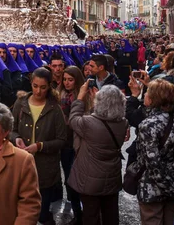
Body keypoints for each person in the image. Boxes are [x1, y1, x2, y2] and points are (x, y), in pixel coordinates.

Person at [127, 80, 174, 225]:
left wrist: (167, 188)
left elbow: (152, 162)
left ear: (152, 99)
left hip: (152, 189)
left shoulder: (148, 125)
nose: (145, 95)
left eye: (147, 92)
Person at [10, 67, 67, 225]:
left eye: (43, 87)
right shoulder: (21, 104)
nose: (38, 91)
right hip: (21, 166)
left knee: (41, 212)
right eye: (35, 86)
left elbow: (62, 139)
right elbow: (11, 130)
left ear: (49, 86)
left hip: (45, 169)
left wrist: (40, 146)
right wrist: (16, 139)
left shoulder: (54, 109)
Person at [68, 84, 128, 225]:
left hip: (90, 180)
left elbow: (73, 119)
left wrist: (80, 98)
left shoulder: (89, 123)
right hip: (111, 176)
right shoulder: (123, 123)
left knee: (91, 215)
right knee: (110, 213)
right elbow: (105, 117)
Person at [58, 66, 85, 224]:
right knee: (68, 177)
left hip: (76, 141)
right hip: (63, 141)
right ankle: (77, 211)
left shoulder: (81, 97)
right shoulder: (60, 94)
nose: (67, 83)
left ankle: (81, 213)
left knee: (75, 178)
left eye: (70, 80)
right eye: (65, 79)